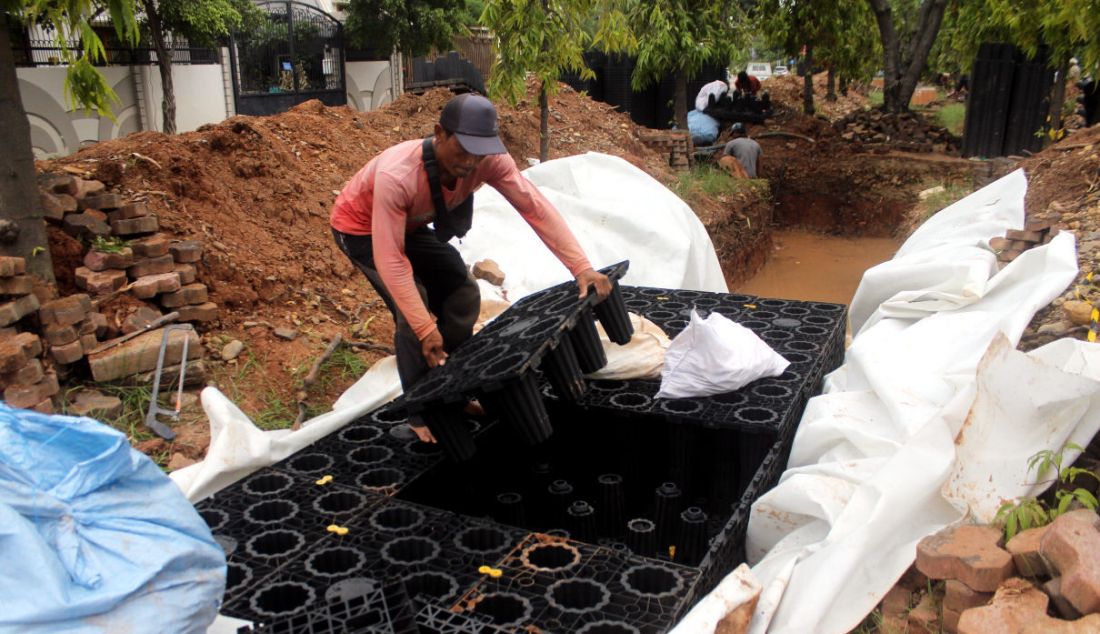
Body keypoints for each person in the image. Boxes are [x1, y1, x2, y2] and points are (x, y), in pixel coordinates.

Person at [330, 93, 612, 443]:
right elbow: (390, 258)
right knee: (413, 309)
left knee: (462, 290)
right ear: (439, 135)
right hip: (359, 228)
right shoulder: (398, 174)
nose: (470, 161)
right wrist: (423, 326)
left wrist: (581, 267)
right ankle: (421, 412)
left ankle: (452, 388)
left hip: (411, 226)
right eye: (462, 149)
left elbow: (533, 205)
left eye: (478, 152)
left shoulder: (488, 161)